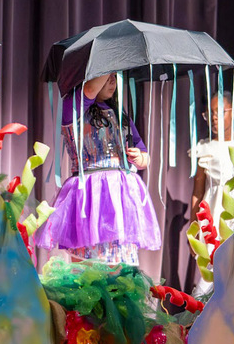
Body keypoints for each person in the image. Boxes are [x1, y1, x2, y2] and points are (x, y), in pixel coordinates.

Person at [38, 73, 161, 265]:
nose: (112, 80)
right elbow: (89, 90)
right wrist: (108, 58)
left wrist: (140, 157)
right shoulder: (74, 107)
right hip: (90, 194)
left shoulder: (120, 115)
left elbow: (145, 156)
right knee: (90, 263)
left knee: (120, 262)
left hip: (120, 196)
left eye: (115, 75)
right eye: (107, 75)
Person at [189, 90, 234, 296]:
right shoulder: (205, 148)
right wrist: (193, 226)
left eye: (220, 112)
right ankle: (199, 325)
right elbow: (198, 191)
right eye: (209, 113)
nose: (214, 117)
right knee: (207, 285)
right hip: (212, 223)